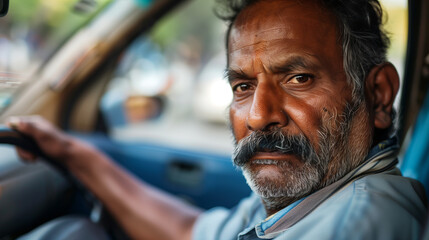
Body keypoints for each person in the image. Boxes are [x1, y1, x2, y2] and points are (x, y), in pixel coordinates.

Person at [8, 0, 427, 239]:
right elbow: (191, 231)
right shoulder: (308, 198)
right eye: (243, 86)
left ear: (378, 94)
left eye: (298, 78)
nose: (259, 115)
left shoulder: (358, 223)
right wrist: (73, 153)